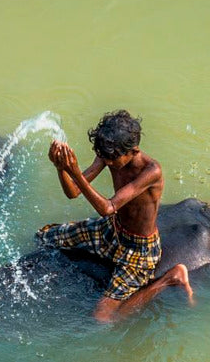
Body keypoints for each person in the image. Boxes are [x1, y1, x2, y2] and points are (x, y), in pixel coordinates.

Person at [37, 110, 193, 322]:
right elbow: (73, 192)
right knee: (43, 236)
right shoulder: (109, 155)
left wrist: (74, 171)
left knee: (102, 318)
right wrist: (61, 168)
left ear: (132, 150)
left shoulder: (150, 171)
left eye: (113, 158)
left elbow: (109, 207)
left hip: (138, 250)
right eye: (105, 157)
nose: (108, 162)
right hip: (110, 230)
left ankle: (170, 278)